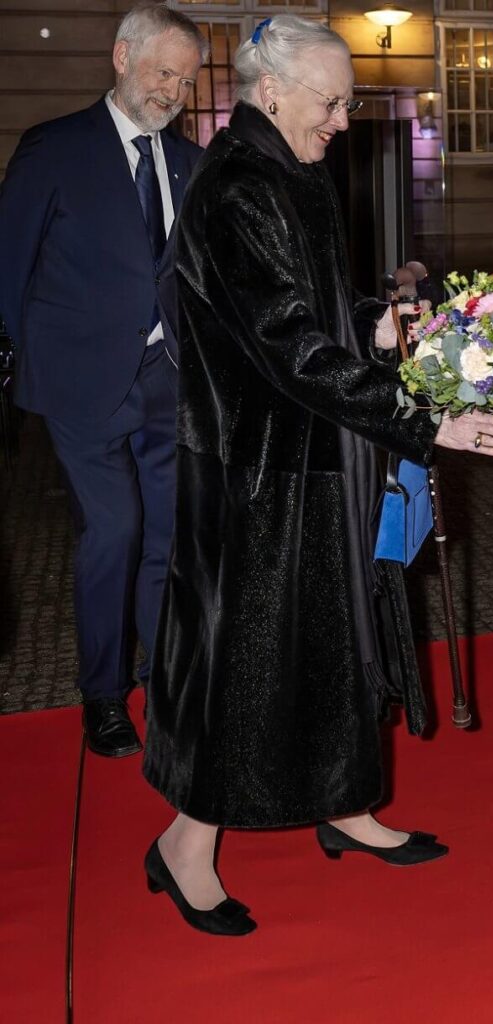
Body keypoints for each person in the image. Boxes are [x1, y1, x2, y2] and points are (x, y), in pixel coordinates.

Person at [141, 15, 493, 937]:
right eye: (334, 101)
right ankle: (185, 846)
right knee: (247, 658)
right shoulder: (236, 188)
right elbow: (287, 346)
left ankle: (345, 805)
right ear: (272, 93)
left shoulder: (291, 170)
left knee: (338, 638)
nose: (346, 119)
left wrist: (379, 323)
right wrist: (424, 420)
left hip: (317, 459)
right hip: (255, 476)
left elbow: (314, 310)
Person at [0, 4, 207, 757]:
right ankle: (102, 693)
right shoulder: (53, 149)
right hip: (80, 386)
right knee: (114, 530)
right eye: (162, 72)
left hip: (168, 379)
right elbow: (8, 268)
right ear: (122, 57)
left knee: (168, 536)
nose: (174, 91)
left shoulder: (189, 163)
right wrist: (23, 365)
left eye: (186, 80)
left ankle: (165, 680)